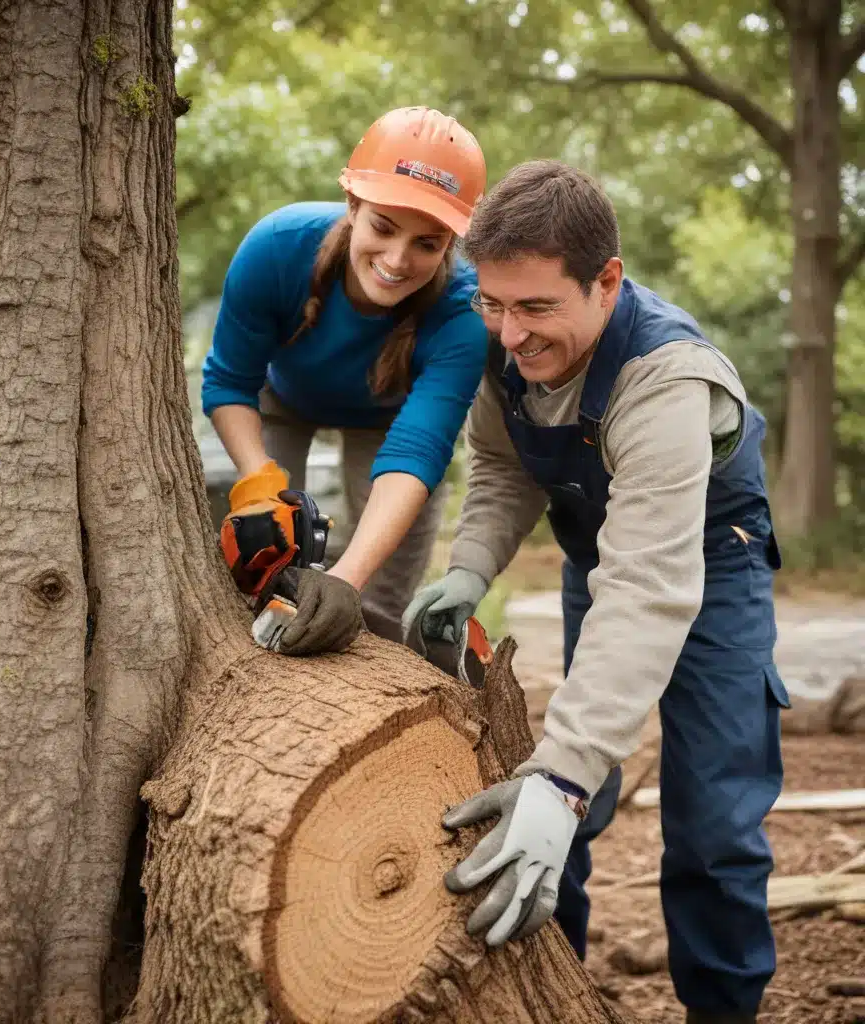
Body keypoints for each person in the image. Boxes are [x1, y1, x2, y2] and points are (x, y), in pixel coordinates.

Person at [402, 160, 789, 1024]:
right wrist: (470, 566)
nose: (510, 334)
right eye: (493, 305)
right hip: (599, 564)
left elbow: (650, 588)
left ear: (606, 282)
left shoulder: (667, 379)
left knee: (714, 820)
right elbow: (504, 468)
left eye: (536, 307)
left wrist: (563, 779)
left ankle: (722, 1008)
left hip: (706, 569)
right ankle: (552, 990)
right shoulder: (507, 349)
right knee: (560, 781)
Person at [202, 106, 488, 648]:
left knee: (375, 599)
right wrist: (258, 482)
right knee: (265, 552)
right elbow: (229, 382)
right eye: (383, 226)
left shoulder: (463, 312)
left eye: (427, 243)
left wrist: (346, 583)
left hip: (389, 423)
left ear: (450, 244)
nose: (398, 259)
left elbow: (418, 450)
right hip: (281, 401)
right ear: (353, 204)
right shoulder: (277, 248)